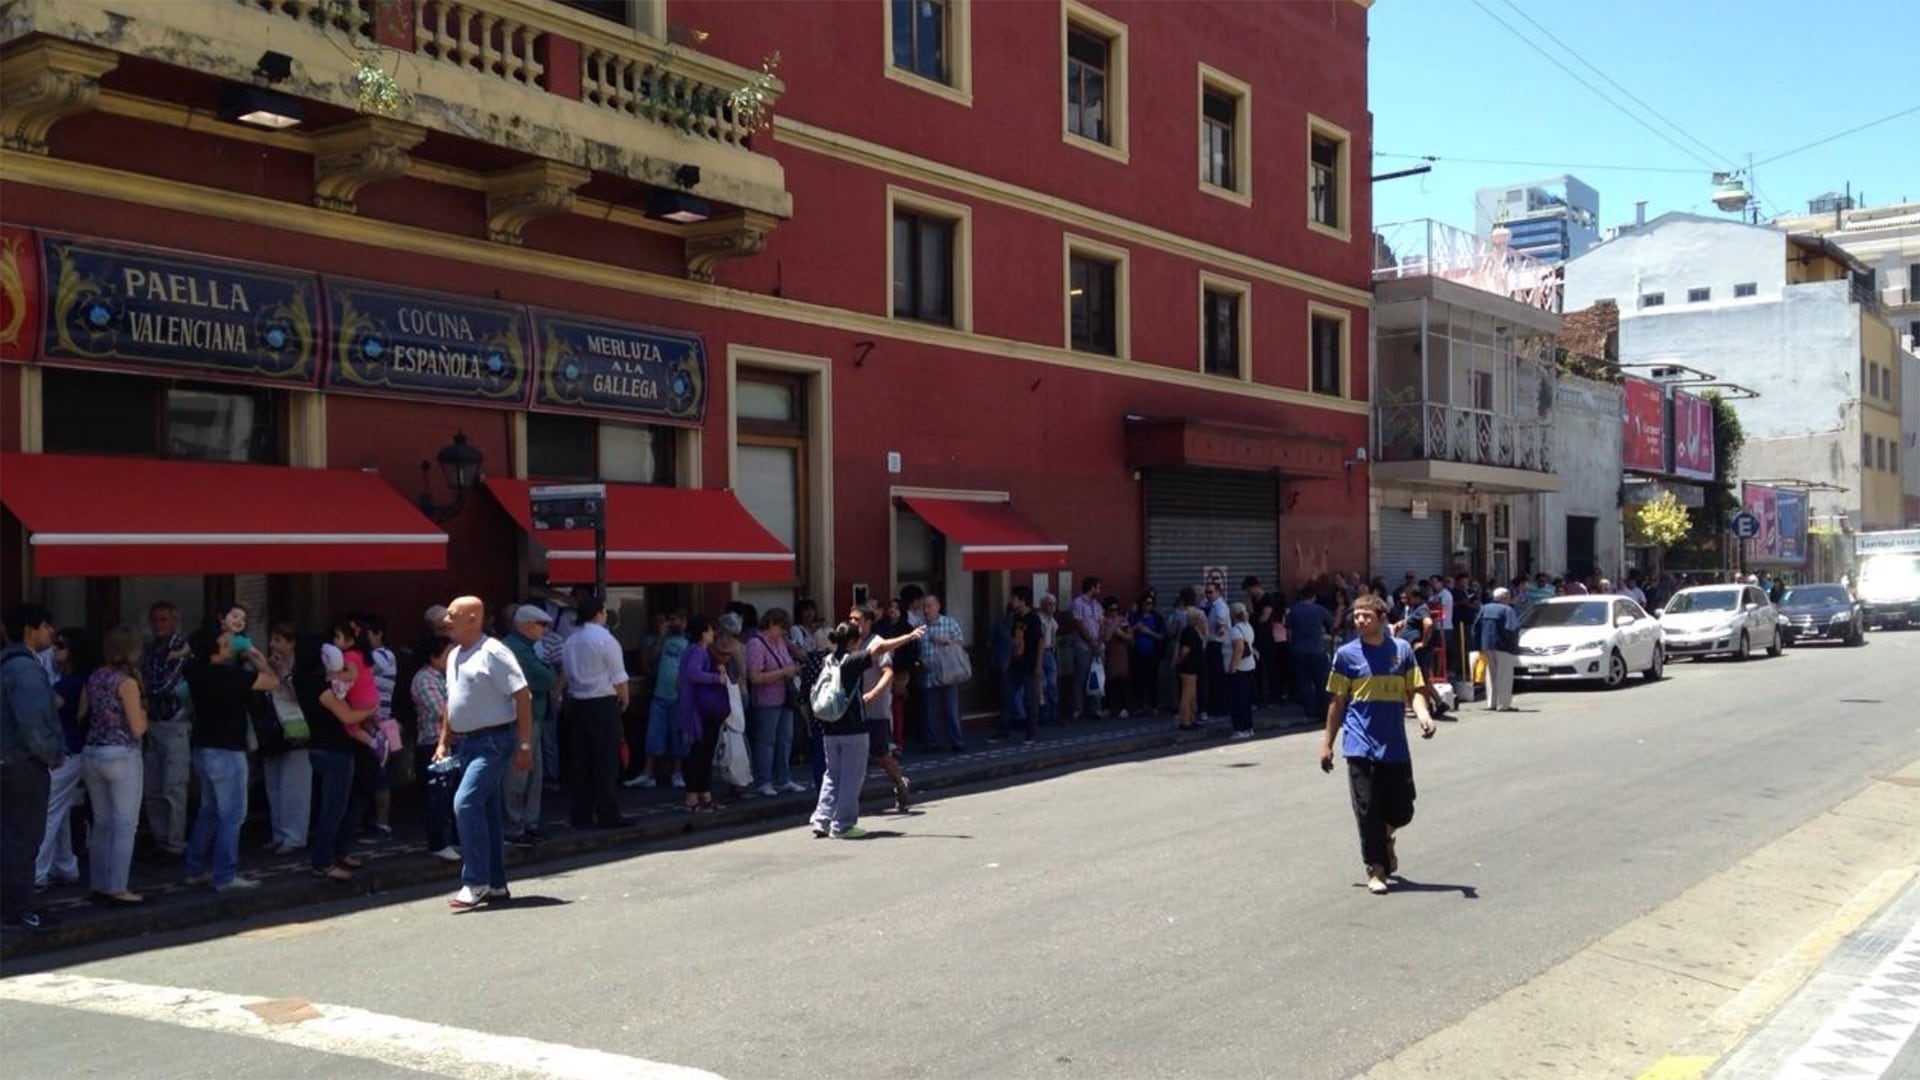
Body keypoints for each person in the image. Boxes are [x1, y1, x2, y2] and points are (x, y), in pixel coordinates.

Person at [1319, 595, 1436, 896]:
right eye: (1356, 616)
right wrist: (1327, 743)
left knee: (1402, 810)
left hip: (1394, 744)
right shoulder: (1345, 655)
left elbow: (1416, 691)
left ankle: (1385, 837)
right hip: (1359, 744)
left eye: (1366, 616)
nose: (1359, 620)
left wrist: (1423, 715)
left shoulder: (1402, 652)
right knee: (1367, 809)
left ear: (1381, 617)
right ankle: (1376, 868)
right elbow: (1337, 702)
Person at [435, 597, 533, 910]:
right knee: (487, 813)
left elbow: (522, 695)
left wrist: (525, 743)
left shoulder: (494, 652)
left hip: (494, 742)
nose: (446, 620)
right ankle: (496, 884)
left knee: (465, 803)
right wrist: (443, 741)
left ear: (473, 618)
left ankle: (474, 881)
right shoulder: (453, 656)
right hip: (468, 743)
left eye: (452, 615)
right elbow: (452, 702)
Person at [808, 619, 925, 839]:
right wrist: (909, 637)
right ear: (853, 641)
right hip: (853, 728)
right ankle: (843, 825)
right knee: (852, 777)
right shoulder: (852, 660)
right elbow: (880, 648)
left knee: (832, 774)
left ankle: (821, 819)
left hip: (829, 727)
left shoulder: (829, 660)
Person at [181, 627, 278, 892]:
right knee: (232, 814)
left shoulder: (194, 671)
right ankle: (224, 874)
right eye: (224, 642)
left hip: (202, 746)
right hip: (228, 749)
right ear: (213, 649)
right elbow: (272, 681)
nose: (229, 645)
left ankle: (194, 867)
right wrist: (255, 654)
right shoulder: (230, 674)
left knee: (209, 809)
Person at [3, 604, 68, 932]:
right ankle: (17, 911)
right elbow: (33, 724)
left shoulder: (7, 664)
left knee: (12, 836)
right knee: (23, 838)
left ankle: (14, 908)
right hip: (22, 764)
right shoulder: (25, 670)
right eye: (47, 626)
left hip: (9, 761)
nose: (51, 634)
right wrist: (52, 754)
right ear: (32, 629)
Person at [79, 627, 148, 906]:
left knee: (102, 822)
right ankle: (118, 886)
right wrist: (145, 714)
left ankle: (99, 883)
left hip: (93, 751)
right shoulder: (127, 683)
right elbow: (137, 728)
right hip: (121, 753)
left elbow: (81, 714)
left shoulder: (94, 678)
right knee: (124, 823)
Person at [560, 596, 630, 828]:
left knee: (580, 762)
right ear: (600, 612)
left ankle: (580, 813)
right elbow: (618, 676)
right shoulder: (605, 639)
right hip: (602, 703)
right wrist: (625, 699)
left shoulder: (570, 640)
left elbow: (566, 674)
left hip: (577, 702)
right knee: (606, 761)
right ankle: (607, 813)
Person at [35, 629, 90, 891]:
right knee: (60, 810)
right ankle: (65, 864)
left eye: (61, 646)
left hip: (68, 750)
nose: (55, 650)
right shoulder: (73, 679)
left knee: (48, 809)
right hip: (72, 749)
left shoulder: (71, 682)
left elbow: (49, 704)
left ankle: (37, 870)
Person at [140, 600, 192, 862]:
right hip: (152, 722)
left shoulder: (182, 648)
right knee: (153, 787)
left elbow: (165, 684)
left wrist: (143, 692)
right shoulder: (149, 649)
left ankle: (175, 842)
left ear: (174, 621)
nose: (158, 625)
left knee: (174, 785)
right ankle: (160, 839)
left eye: (164, 620)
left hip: (175, 722)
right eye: (155, 620)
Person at [502, 606, 557, 844]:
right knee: (519, 773)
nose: (545, 630)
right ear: (527, 625)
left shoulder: (525, 647)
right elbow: (546, 678)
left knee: (533, 773)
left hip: (534, 716)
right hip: (520, 718)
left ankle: (528, 823)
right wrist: (550, 670)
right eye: (541, 624)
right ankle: (515, 826)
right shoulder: (517, 650)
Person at [259, 625, 312, 855]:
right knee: (274, 785)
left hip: (297, 727)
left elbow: (302, 695)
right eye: (272, 639)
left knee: (295, 785)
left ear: (292, 643)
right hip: (273, 729)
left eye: (279, 639)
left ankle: (294, 836)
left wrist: (284, 675)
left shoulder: (302, 666)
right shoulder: (267, 665)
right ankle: (278, 833)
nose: (273, 644)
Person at [745, 609, 806, 796]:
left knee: (785, 739)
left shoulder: (781, 641)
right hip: (766, 699)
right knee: (766, 740)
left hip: (785, 698)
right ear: (770, 623)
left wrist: (791, 648)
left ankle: (783, 778)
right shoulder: (756, 644)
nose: (783, 631)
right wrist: (784, 672)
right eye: (781, 627)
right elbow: (754, 677)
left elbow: (801, 656)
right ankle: (764, 780)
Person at [410, 636, 459, 862]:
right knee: (436, 797)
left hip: (452, 741)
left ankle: (455, 839)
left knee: (451, 794)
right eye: (447, 654)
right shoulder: (425, 679)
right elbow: (442, 711)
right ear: (433, 656)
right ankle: (437, 843)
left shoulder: (444, 676)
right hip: (433, 742)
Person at [675, 615, 730, 813]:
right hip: (700, 709)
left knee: (704, 752)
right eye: (709, 630)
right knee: (701, 752)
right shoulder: (698, 651)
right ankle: (694, 797)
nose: (712, 634)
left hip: (697, 707)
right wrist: (717, 678)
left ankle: (704, 794)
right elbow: (694, 673)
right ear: (702, 633)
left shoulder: (696, 650)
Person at [630, 611, 688, 789]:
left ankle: (677, 772)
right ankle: (648, 773)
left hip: (679, 696)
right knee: (654, 735)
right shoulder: (658, 640)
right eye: (671, 620)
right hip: (659, 694)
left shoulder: (688, 642)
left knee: (678, 735)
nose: (673, 623)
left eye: (676, 619)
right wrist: (662, 636)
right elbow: (649, 660)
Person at [919, 594, 968, 752]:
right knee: (930, 713)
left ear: (938, 606)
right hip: (929, 674)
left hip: (948, 673)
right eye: (924, 607)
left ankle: (957, 742)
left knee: (951, 710)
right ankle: (932, 744)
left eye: (929, 606)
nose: (926, 610)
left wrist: (946, 641)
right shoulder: (920, 627)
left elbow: (960, 643)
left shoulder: (949, 623)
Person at [995, 587, 1043, 744]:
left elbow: (1040, 642)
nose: (1012, 602)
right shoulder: (1016, 618)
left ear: (1022, 600)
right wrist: (1008, 662)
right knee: (1006, 695)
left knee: (1031, 699)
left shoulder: (1034, 618)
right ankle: (1003, 731)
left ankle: (1032, 733)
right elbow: (1013, 641)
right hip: (1016, 662)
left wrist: (1038, 664)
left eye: (1014, 599)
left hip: (1029, 662)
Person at [1285, 586, 1336, 722]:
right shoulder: (1320, 609)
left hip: (1298, 651)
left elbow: (1289, 634)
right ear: (1313, 597)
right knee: (1321, 681)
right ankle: (1324, 711)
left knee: (1304, 682)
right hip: (1317, 650)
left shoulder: (1293, 611)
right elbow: (1332, 625)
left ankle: (1310, 711)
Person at [1474, 587, 1522, 713]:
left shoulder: (1484, 608)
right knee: (1504, 675)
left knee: (1491, 674)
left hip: (1487, 646)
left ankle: (1491, 703)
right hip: (1503, 646)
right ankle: (1503, 704)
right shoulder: (1507, 610)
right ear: (1505, 597)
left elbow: (1476, 628)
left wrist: (1478, 646)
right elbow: (1512, 629)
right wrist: (1514, 646)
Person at [1066, 577, 1104, 721]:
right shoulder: (1078, 603)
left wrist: (1098, 642)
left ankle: (1096, 708)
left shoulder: (1097, 605)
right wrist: (1091, 641)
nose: (1099, 590)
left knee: (1097, 676)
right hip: (1083, 646)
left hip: (1097, 646)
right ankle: (1078, 709)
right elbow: (1079, 623)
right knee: (1080, 678)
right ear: (1092, 588)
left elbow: (1101, 624)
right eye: (1098, 587)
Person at [1127, 592, 1165, 718]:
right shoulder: (1135, 617)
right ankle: (1140, 705)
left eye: (1151, 603)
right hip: (1137, 653)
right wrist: (1135, 628)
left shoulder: (1157, 618)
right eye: (1146, 603)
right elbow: (1127, 631)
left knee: (1152, 679)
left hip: (1152, 653)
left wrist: (1148, 632)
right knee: (1138, 679)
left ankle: (1154, 705)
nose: (1148, 606)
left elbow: (1162, 636)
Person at [1225, 601, 1258, 740]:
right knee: (1245, 700)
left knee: (1237, 700)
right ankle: (1248, 727)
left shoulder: (1235, 630)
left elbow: (1238, 649)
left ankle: (1240, 729)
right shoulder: (1248, 627)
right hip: (1249, 666)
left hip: (1239, 669)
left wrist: (1233, 667)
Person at [1172, 607, 1206, 732]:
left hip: (1193, 667)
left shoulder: (1193, 631)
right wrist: (1179, 661)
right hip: (1188, 667)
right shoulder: (1189, 632)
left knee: (1192, 694)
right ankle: (1185, 720)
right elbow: (1185, 650)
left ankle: (1191, 718)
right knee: (1187, 694)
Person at [1098, 597, 1132, 719]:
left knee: (1123, 680)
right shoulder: (1103, 622)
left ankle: (1125, 707)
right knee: (1108, 681)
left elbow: (1130, 637)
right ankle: (1108, 707)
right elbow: (1105, 638)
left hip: (1121, 652)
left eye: (1117, 609)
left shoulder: (1123, 621)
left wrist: (1121, 633)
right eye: (1112, 610)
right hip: (1109, 653)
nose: (1115, 612)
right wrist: (1111, 628)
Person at [1202, 580, 1231, 720]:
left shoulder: (1219, 607)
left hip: (1217, 645)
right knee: (1215, 677)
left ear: (1218, 592)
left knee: (1218, 677)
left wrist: (1216, 634)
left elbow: (1222, 624)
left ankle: (1221, 706)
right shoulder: (1212, 606)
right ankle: (1218, 705)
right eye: (1206, 592)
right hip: (1214, 644)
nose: (1208, 595)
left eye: (1210, 592)